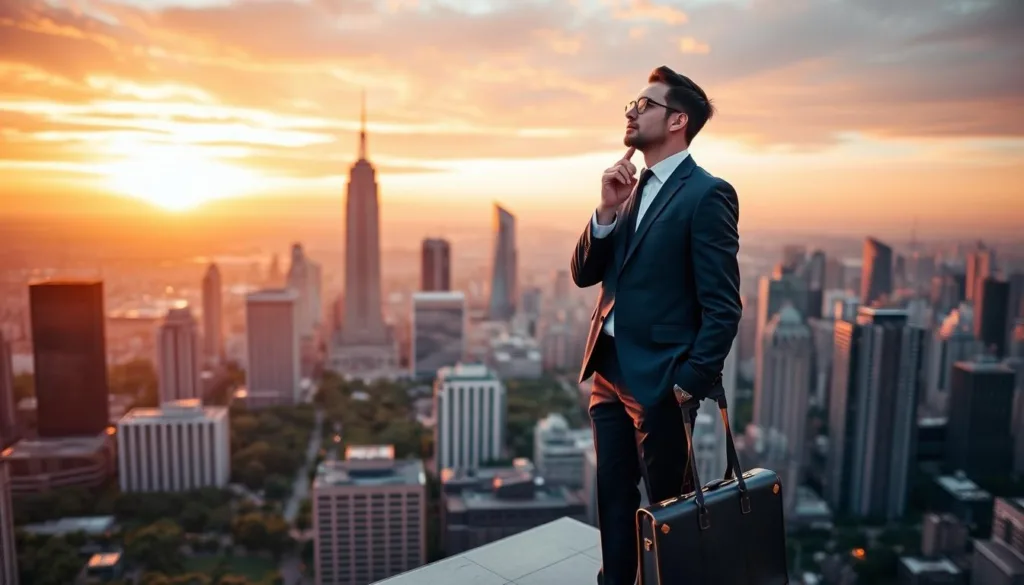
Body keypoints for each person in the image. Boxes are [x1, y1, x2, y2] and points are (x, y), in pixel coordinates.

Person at [570, 65, 742, 585]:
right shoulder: (630, 189)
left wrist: (686, 384)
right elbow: (585, 274)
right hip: (609, 370)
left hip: (663, 382)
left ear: (677, 121)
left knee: (671, 514)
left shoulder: (706, 194)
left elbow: (723, 306)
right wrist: (605, 209)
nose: (631, 110)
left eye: (644, 104)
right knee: (614, 500)